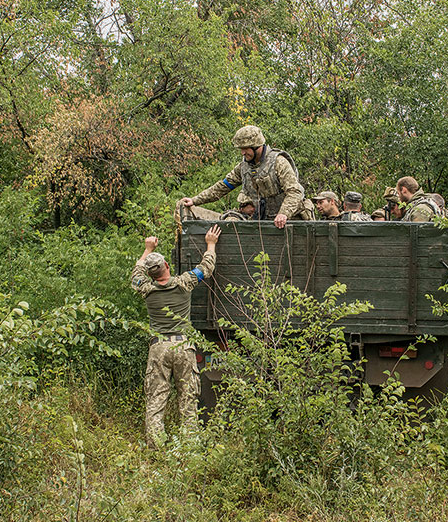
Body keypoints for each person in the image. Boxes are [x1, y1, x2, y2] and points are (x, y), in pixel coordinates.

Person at [131, 225, 222, 447]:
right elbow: (206, 268)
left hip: (159, 348)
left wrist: (147, 249)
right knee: (188, 401)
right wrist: (210, 244)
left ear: (151, 274)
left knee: (156, 401)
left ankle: (155, 447)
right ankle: (190, 447)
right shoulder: (183, 284)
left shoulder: (146, 289)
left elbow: (136, 274)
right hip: (183, 347)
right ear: (167, 267)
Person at [179, 125, 313, 228]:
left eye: (246, 148)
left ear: (257, 146)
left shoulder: (278, 162)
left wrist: (284, 213)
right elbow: (223, 186)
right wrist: (195, 200)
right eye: (241, 149)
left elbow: (295, 191)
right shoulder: (244, 167)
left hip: (287, 222)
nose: (243, 152)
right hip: (260, 222)